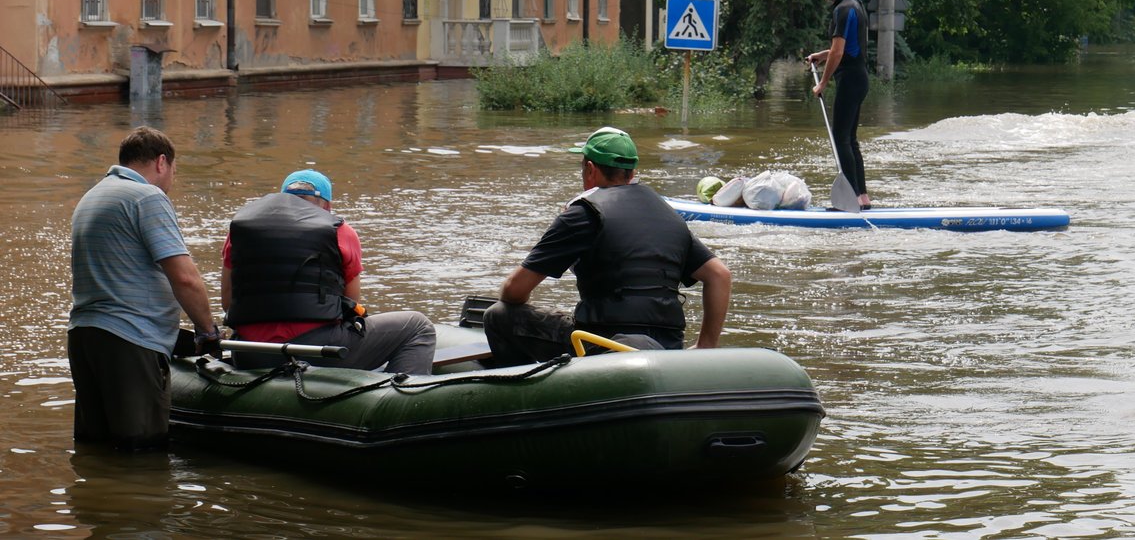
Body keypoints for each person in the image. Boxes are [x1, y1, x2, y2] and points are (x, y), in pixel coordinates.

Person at [483, 127, 732, 367]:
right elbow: (719, 275)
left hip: (605, 345)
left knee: (498, 315)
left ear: (590, 169)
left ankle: (529, 395)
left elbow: (514, 291)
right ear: (631, 173)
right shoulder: (669, 214)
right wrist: (705, 346)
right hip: (666, 347)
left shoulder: (584, 213)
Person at [68, 126, 219, 451]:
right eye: (174, 172)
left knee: (96, 449)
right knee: (141, 454)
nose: (172, 182)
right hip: (130, 341)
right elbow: (185, 277)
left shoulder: (92, 196)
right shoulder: (147, 197)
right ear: (162, 162)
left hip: (84, 337)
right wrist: (207, 330)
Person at [221, 169, 436, 374]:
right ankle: (401, 399)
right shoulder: (339, 231)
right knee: (418, 326)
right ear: (327, 205)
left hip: (250, 352)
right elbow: (349, 302)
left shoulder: (240, 230)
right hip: (320, 350)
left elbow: (227, 302)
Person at [805, 0, 871, 210]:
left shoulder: (843, 10)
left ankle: (851, 200)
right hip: (859, 78)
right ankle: (862, 198)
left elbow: (840, 51)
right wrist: (823, 56)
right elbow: (841, 49)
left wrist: (822, 82)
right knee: (850, 140)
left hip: (851, 80)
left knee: (841, 139)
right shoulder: (855, 5)